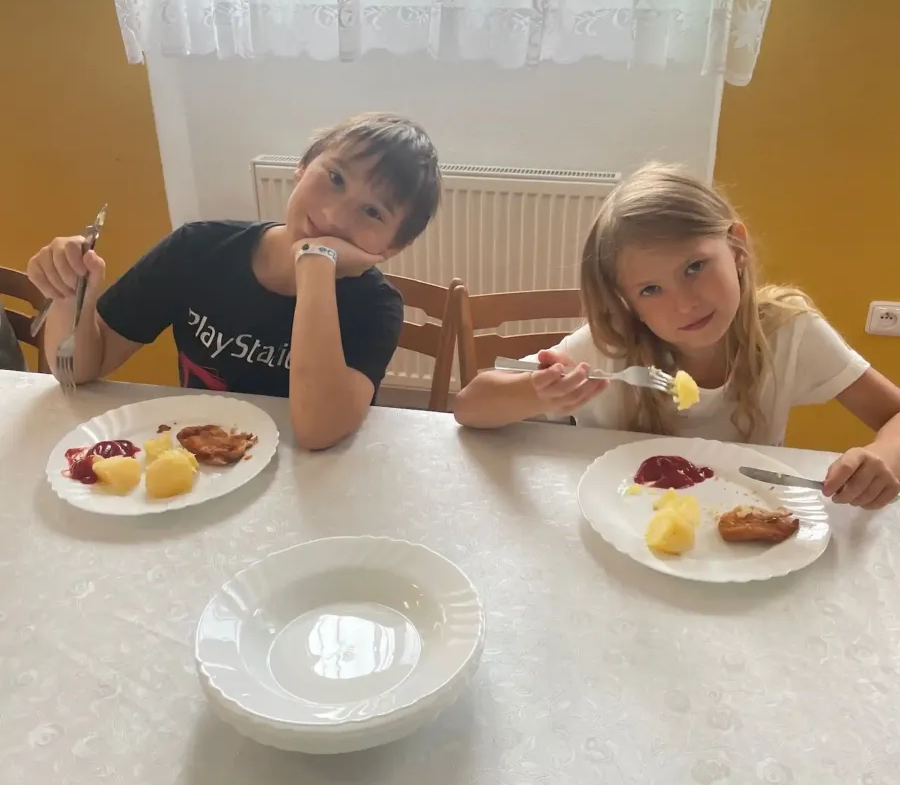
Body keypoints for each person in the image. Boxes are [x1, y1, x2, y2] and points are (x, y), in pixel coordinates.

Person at [455, 163, 900, 510]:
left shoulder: (789, 333)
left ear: (736, 248)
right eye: (651, 289)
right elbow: (470, 407)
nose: (684, 304)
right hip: (626, 529)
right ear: (628, 303)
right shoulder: (611, 348)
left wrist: (881, 456)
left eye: (694, 267)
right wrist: (536, 392)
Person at [27, 112, 440, 450]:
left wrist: (316, 261)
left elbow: (318, 431)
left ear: (392, 247)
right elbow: (77, 373)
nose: (334, 215)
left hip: (307, 483)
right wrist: (69, 295)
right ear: (301, 168)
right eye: (334, 178)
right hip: (199, 461)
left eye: (372, 212)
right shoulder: (197, 249)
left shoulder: (376, 306)